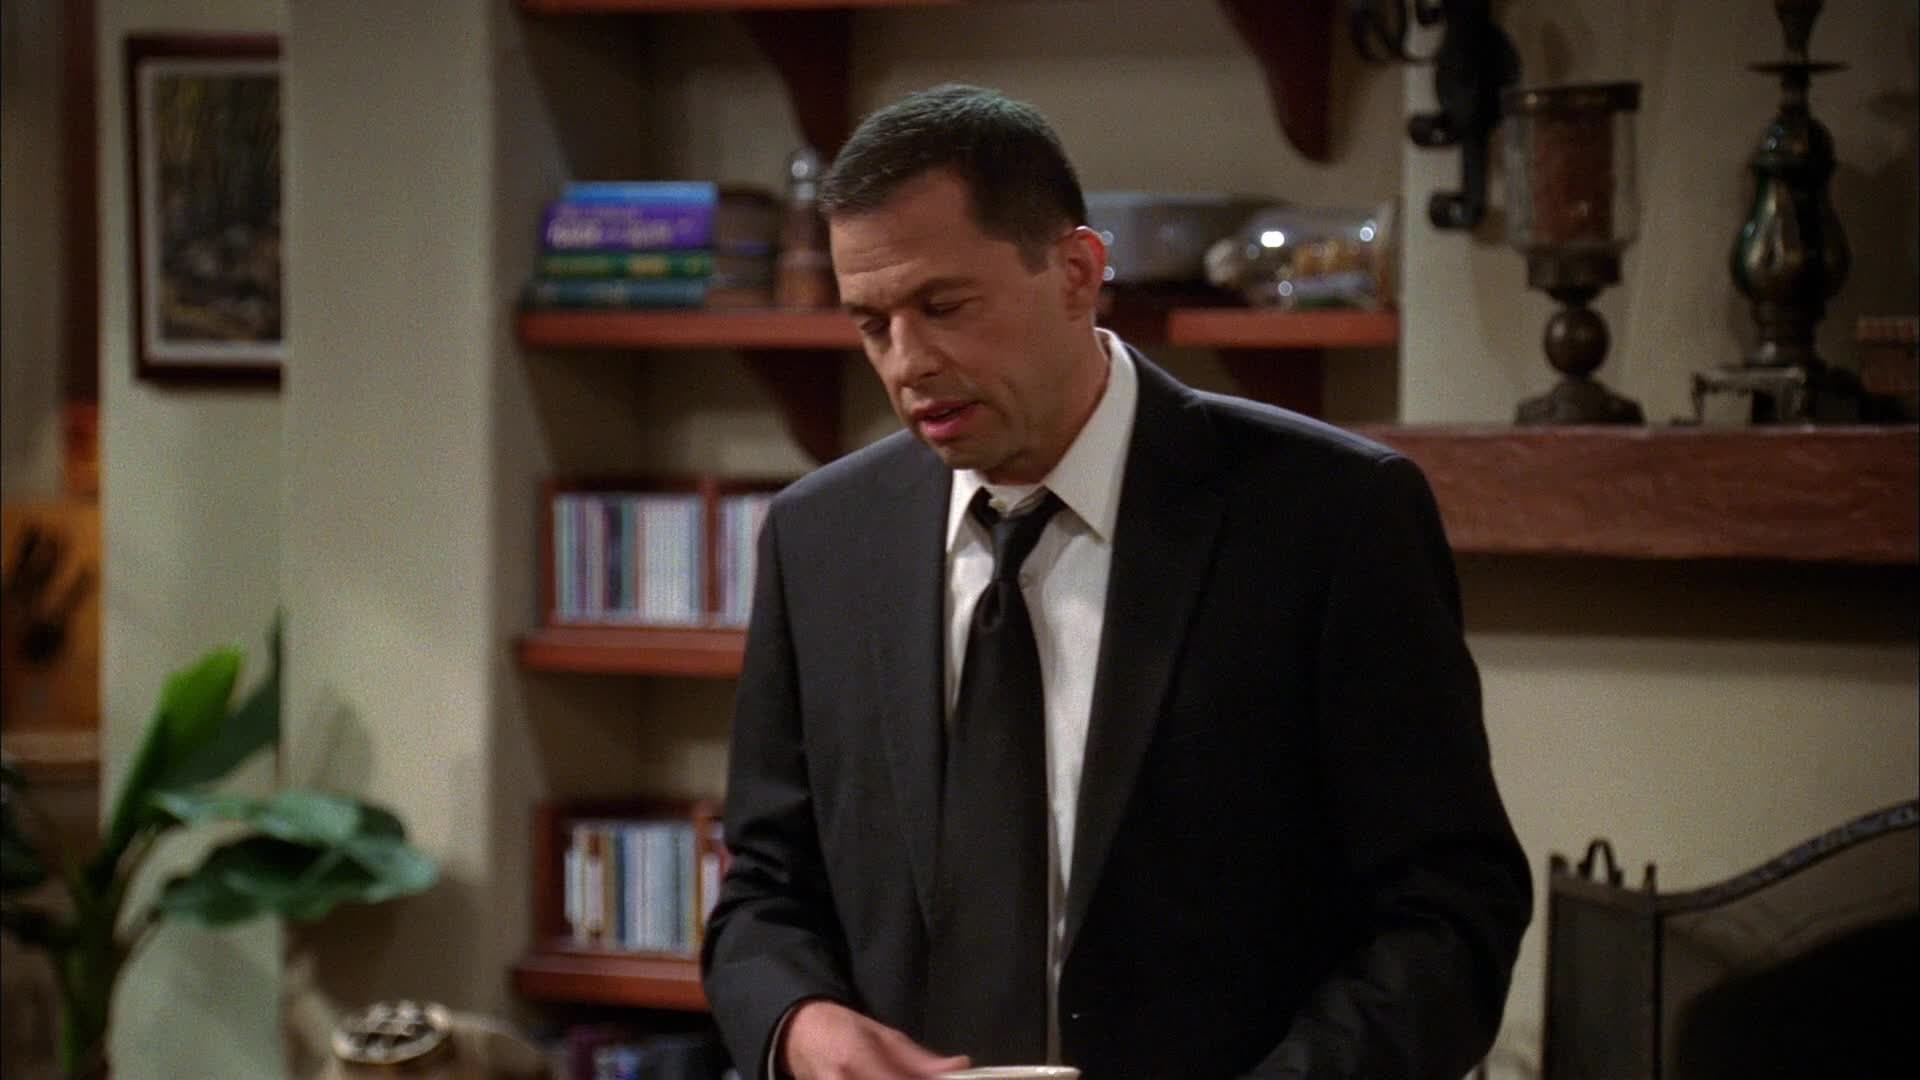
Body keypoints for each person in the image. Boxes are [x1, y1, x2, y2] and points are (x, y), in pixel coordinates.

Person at [700, 83, 1532, 1080]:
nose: (907, 363)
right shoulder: (819, 538)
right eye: (872, 324)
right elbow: (763, 891)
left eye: (943, 307)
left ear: (1078, 273)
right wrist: (801, 1025)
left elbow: (1449, 910)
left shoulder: (1331, 516)